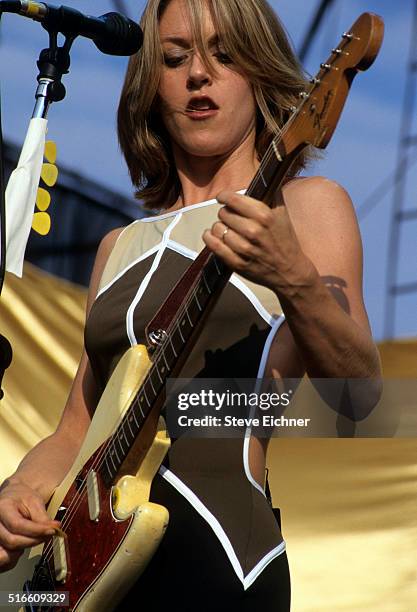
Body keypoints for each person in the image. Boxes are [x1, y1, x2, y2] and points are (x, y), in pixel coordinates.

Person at [0, 0, 382, 610]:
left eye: (224, 54)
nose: (197, 74)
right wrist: (17, 490)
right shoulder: (115, 248)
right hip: (89, 573)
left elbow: (359, 396)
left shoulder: (306, 207)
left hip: (218, 555)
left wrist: (296, 281)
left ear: (260, 71)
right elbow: (76, 430)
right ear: (150, 82)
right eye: (175, 58)